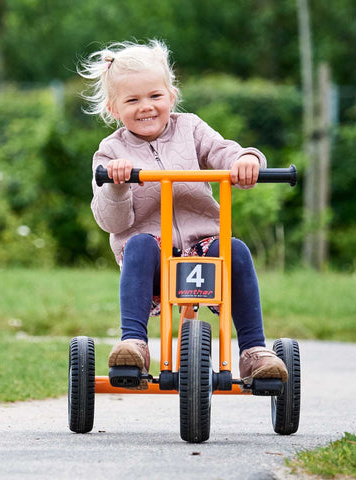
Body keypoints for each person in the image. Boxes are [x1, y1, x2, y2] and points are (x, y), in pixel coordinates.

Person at [79, 39, 288, 389]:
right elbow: (111, 223)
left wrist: (245, 161)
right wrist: (116, 184)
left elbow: (222, 152)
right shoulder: (110, 152)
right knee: (140, 244)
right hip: (154, 262)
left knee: (235, 249)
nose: (146, 107)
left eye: (154, 96)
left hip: (205, 249)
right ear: (114, 108)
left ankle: (253, 350)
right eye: (132, 100)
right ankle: (134, 343)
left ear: (171, 95)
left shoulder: (190, 129)